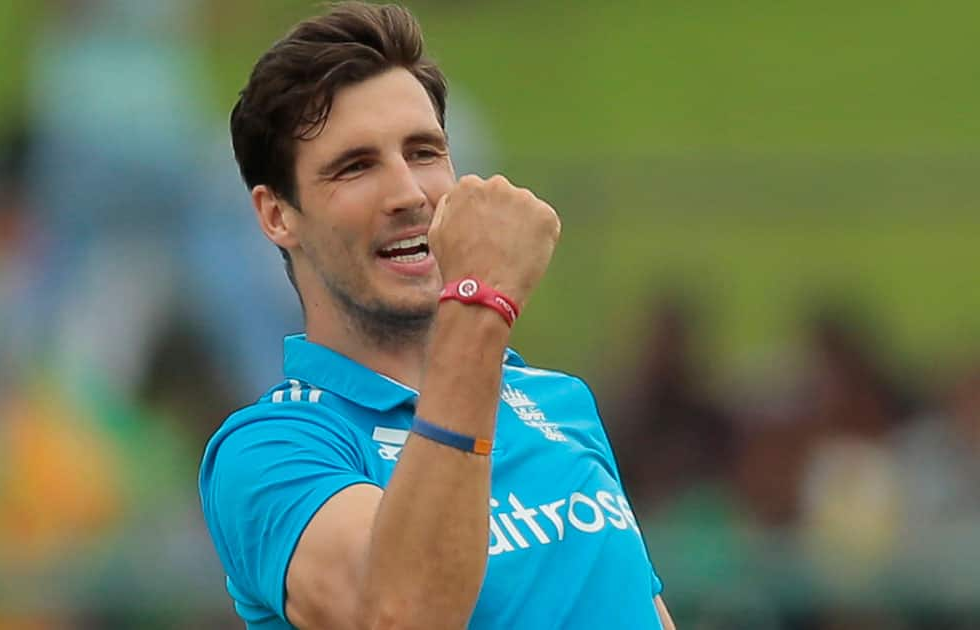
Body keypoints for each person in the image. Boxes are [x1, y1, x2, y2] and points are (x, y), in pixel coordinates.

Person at [198, 3, 675, 628]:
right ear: (276, 214)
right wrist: (481, 304)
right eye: (356, 166)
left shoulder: (559, 402)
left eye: (424, 153)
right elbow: (401, 614)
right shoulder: (269, 450)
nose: (410, 193)